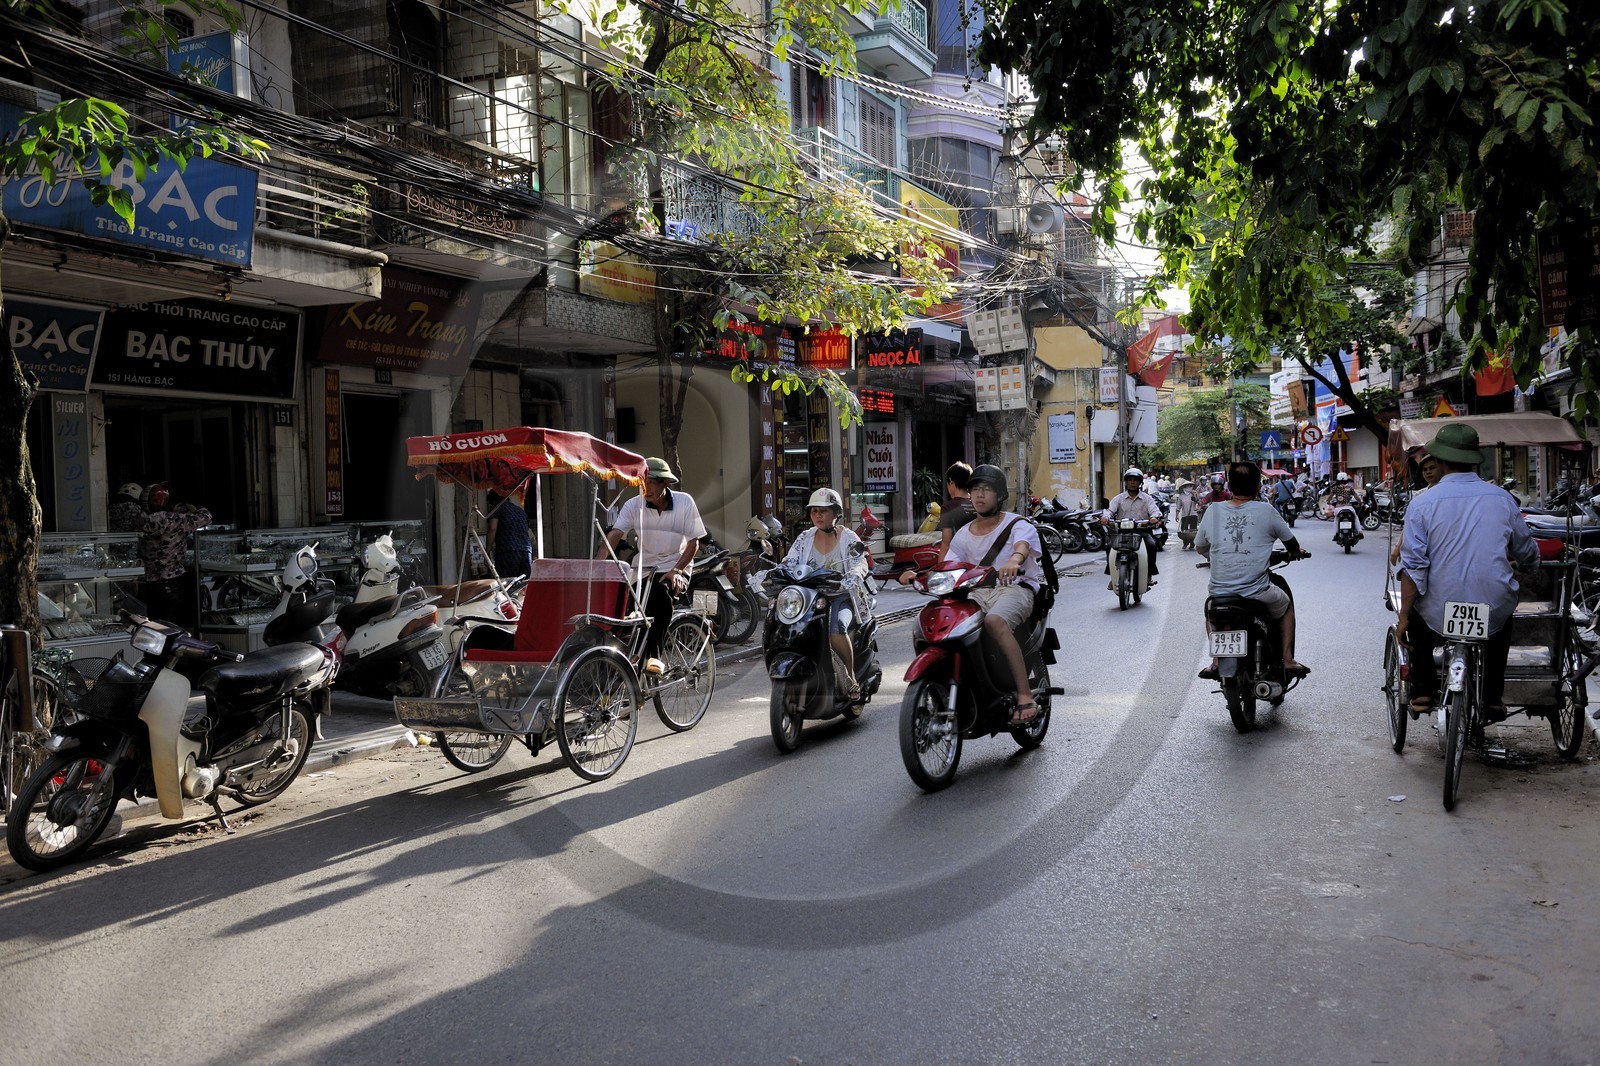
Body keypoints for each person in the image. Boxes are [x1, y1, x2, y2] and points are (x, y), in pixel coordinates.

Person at [1396, 423, 1538, 721]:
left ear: (1442, 460)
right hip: (1493, 604)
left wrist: (1403, 617)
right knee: (1500, 626)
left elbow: (1414, 568)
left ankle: (1422, 690)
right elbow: (1525, 550)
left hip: (1439, 607)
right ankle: (1492, 699)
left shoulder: (1421, 504)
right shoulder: (1502, 499)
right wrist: (1527, 569)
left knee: (1417, 621)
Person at [909, 464, 1044, 724]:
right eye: (975, 490)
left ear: (1000, 496)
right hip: (978, 594)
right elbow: (948, 567)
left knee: (995, 621)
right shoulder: (963, 534)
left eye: (987, 490)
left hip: (1015, 589)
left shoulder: (1017, 523)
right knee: (942, 623)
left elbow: (1022, 547)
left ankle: (1024, 694)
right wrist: (920, 575)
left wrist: (1015, 561)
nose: (980, 495)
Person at [1194, 461, 1310, 679]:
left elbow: (1200, 547)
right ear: (1258, 486)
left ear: (1229, 484)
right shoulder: (1266, 511)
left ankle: (1216, 661)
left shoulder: (1213, 510)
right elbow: (1291, 545)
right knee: (1285, 606)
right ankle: (1287, 659)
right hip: (1257, 591)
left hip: (1219, 593)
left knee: (1211, 614)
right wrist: (1295, 553)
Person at [599, 456, 705, 676]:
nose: (645, 488)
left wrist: (676, 570)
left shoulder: (684, 502)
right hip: (643, 570)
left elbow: (694, 543)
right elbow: (616, 534)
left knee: (660, 593)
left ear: (665, 483)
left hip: (675, 567)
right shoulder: (633, 504)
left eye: (652, 482)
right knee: (621, 606)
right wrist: (597, 565)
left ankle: (655, 656)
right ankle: (620, 666)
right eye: (642, 482)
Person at [779, 487, 871, 701]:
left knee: (836, 628)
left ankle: (850, 677)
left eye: (824, 511)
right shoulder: (804, 537)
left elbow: (860, 560)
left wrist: (855, 573)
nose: (818, 516)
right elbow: (789, 561)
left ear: (836, 513)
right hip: (809, 598)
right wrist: (775, 573)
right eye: (814, 511)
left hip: (841, 596)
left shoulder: (848, 537)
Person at [135, 483, 211, 630]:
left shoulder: (140, 519)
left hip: (148, 583)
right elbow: (205, 517)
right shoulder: (172, 520)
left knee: (153, 628)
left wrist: (175, 512)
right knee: (171, 629)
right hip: (171, 582)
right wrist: (193, 508)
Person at [1102, 467, 1161, 588]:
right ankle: (1112, 576)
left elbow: (1155, 511)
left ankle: (1149, 574)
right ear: (1126, 482)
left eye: (1135, 480)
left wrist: (1154, 518)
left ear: (1140, 482)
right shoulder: (1119, 498)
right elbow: (1109, 511)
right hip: (1122, 532)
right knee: (1109, 547)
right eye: (1130, 480)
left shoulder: (1147, 498)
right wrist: (1106, 517)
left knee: (1151, 545)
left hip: (1142, 532)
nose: (1132, 482)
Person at [485, 483, 533, 579]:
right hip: (526, 552)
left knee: (507, 584)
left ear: (493, 500)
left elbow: (492, 528)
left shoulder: (497, 507)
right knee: (523, 586)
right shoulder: (520, 511)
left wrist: (487, 552)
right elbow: (528, 533)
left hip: (508, 551)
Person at [935, 460, 975, 563]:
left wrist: (940, 568)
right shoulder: (979, 504)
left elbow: (946, 543)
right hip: (979, 555)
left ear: (951, 482)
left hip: (959, 559)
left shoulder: (948, 507)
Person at [1173, 480, 1200, 549]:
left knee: (1193, 530)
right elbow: (1178, 507)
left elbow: (1199, 502)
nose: (1189, 487)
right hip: (1185, 515)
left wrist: (1195, 498)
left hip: (1193, 514)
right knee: (1184, 529)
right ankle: (1185, 543)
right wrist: (1177, 515)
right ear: (1184, 487)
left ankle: (1192, 544)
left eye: (1191, 486)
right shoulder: (1181, 496)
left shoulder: (1194, 494)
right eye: (1188, 486)